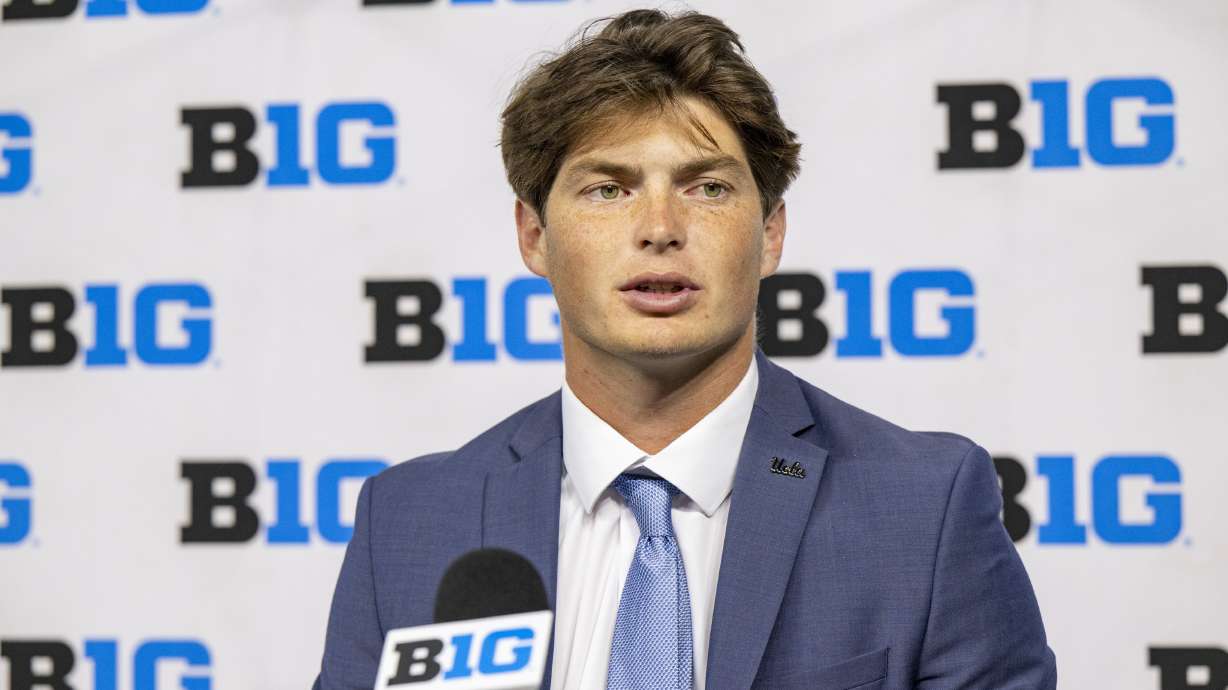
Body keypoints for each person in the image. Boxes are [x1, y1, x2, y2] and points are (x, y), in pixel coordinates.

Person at [314, 8, 1056, 689]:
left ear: (770, 234)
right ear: (534, 237)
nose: (660, 226)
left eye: (707, 188)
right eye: (608, 189)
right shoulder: (408, 523)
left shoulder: (923, 508)